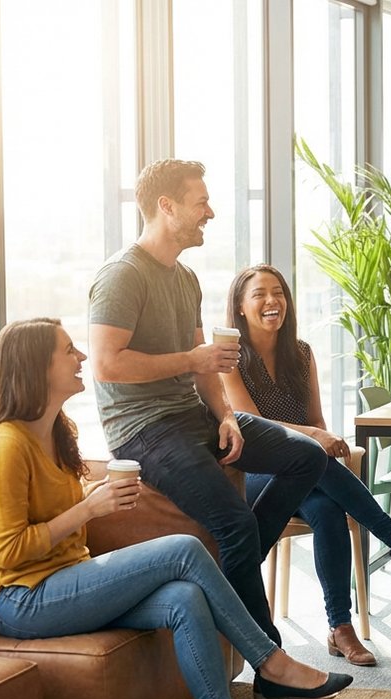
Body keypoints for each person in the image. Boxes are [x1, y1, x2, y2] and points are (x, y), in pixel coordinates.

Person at [0, 318, 352, 699]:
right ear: (33, 367)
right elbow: (8, 551)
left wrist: (93, 501)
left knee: (184, 598)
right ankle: (270, 660)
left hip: (64, 579)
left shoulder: (56, 434)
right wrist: (89, 509)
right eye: (69, 350)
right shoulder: (5, 446)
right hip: (21, 601)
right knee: (184, 548)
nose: (82, 358)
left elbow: (53, 522)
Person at [89, 159, 328, 645]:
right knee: (236, 522)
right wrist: (192, 358)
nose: (211, 212)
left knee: (307, 455)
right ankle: (270, 658)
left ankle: (224, 576)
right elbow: (107, 365)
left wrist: (227, 417)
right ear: (166, 206)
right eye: (201, 203)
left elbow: (203, 366)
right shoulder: (122, 276)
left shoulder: (185, 278)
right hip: (144, 430)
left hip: (192, 415)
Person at [223, 264, 391, 667]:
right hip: (257, 473)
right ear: (240, 307)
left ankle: (340, 628)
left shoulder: (301, 353)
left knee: (326, 508)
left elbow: (317, 423)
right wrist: (313, 438)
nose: (272, 301)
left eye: (278, 292)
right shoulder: (232, 359)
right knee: (312, 457)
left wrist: (315, 438)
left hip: (303, 471)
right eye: (259, 294)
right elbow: (252, 425)